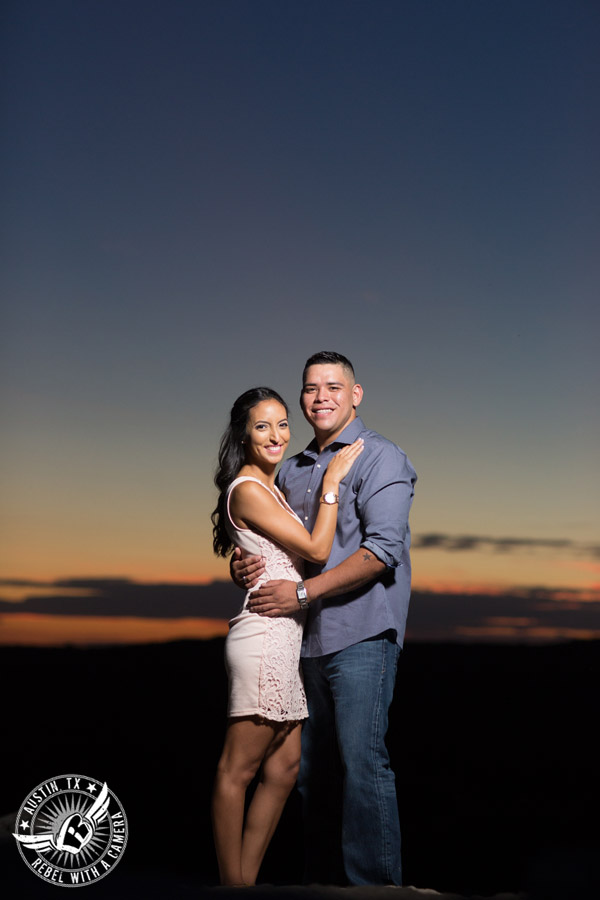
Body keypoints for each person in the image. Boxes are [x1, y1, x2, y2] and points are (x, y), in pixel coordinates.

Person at [233, 351, 417, 886]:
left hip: (361, 633)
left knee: (363, 766)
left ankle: (377, 891)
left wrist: (303, 591)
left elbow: (382, 550)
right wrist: (242, 560)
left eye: (334, 387)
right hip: (300, 641)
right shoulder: (289, 469)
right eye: (311, 388)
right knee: (309, 775)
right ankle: (321, 887)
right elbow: (272, 543)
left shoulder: (380, 457)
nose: (322, 397)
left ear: (356, 394)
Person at [211, 385, 363, 886]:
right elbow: (318, 550)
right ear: (243, 434)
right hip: (262, 637)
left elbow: (267, 554)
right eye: (262, 426)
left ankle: (247, 883)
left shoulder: (267, 489)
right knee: (237, 771)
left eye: (282, 424)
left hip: (285, 640)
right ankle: (231, 887)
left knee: (284, 769)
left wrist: (241, 564)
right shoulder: (251, 489)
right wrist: (333, 482)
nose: (276, 435)